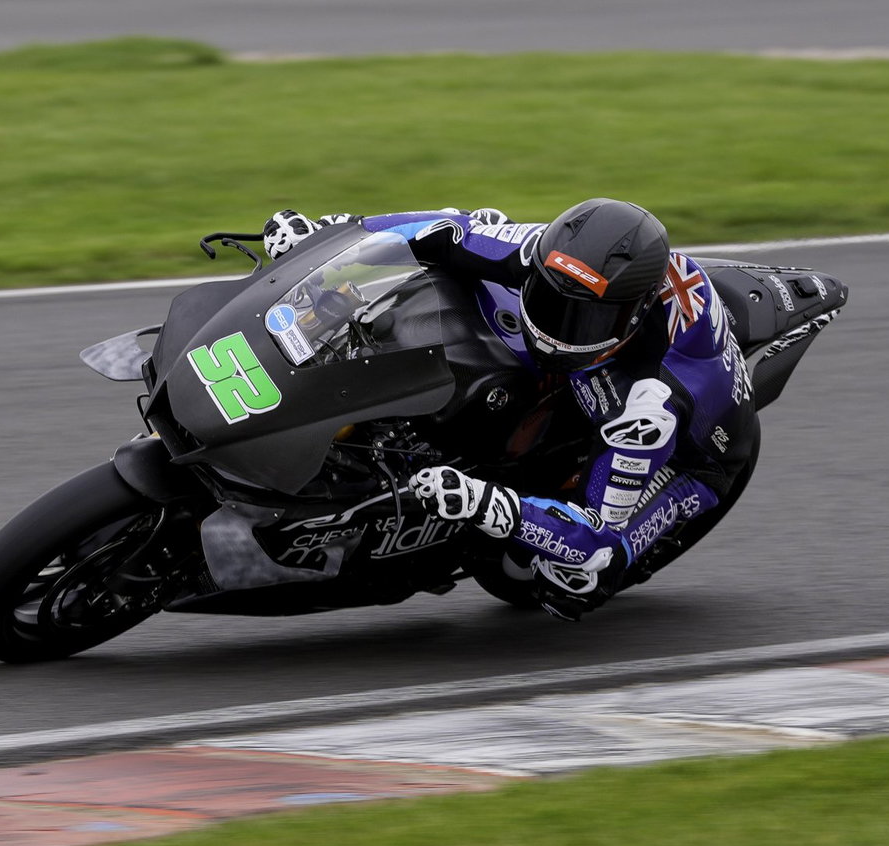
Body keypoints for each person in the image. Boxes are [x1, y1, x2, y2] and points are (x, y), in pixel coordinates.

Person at [261, 200, 758, 621]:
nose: (557, 328)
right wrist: (333, 236)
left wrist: (480, 501)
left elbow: (594, 536)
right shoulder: (541, 252)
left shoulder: (649, 406)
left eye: (583, 318)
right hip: (596, 370)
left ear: (633, 315)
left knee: (582, 577)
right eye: (549, 298)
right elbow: (445, 227)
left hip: (696, 459)